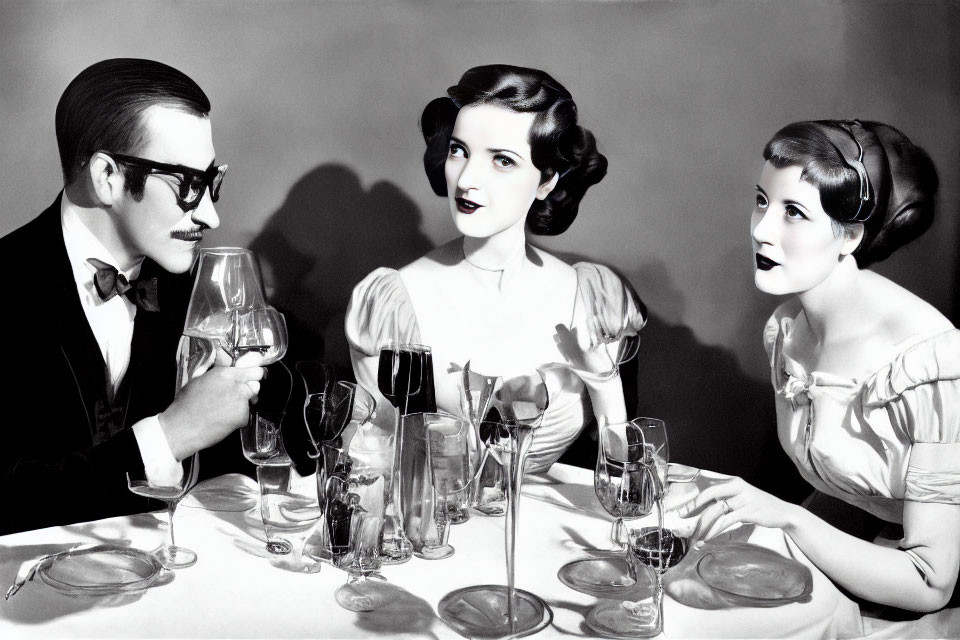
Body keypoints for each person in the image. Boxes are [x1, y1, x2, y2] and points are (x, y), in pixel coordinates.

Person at [676, 120, 958, 613]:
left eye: (794, 212)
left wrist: (787, 520)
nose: (761, 230)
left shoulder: (928, 365)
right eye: (761, 200)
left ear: (850, 234)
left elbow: (931, 584)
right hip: (855, 572)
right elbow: (853, 496)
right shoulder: (789, 328)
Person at [0, 59, 264, 535]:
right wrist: (170, 435)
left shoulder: (199, 287)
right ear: (107, 177)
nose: (210, 216)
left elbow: (260, 447)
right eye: (189, 185)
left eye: (212, 182)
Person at [345, 64, 646, 473]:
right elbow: (375, 464)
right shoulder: (392, 304)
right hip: (441, 530)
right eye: (459, 150)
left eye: (502, 160)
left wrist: (606, 388)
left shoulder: (594, 298)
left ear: (547, 181)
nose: (467, 179)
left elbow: (624, 474)